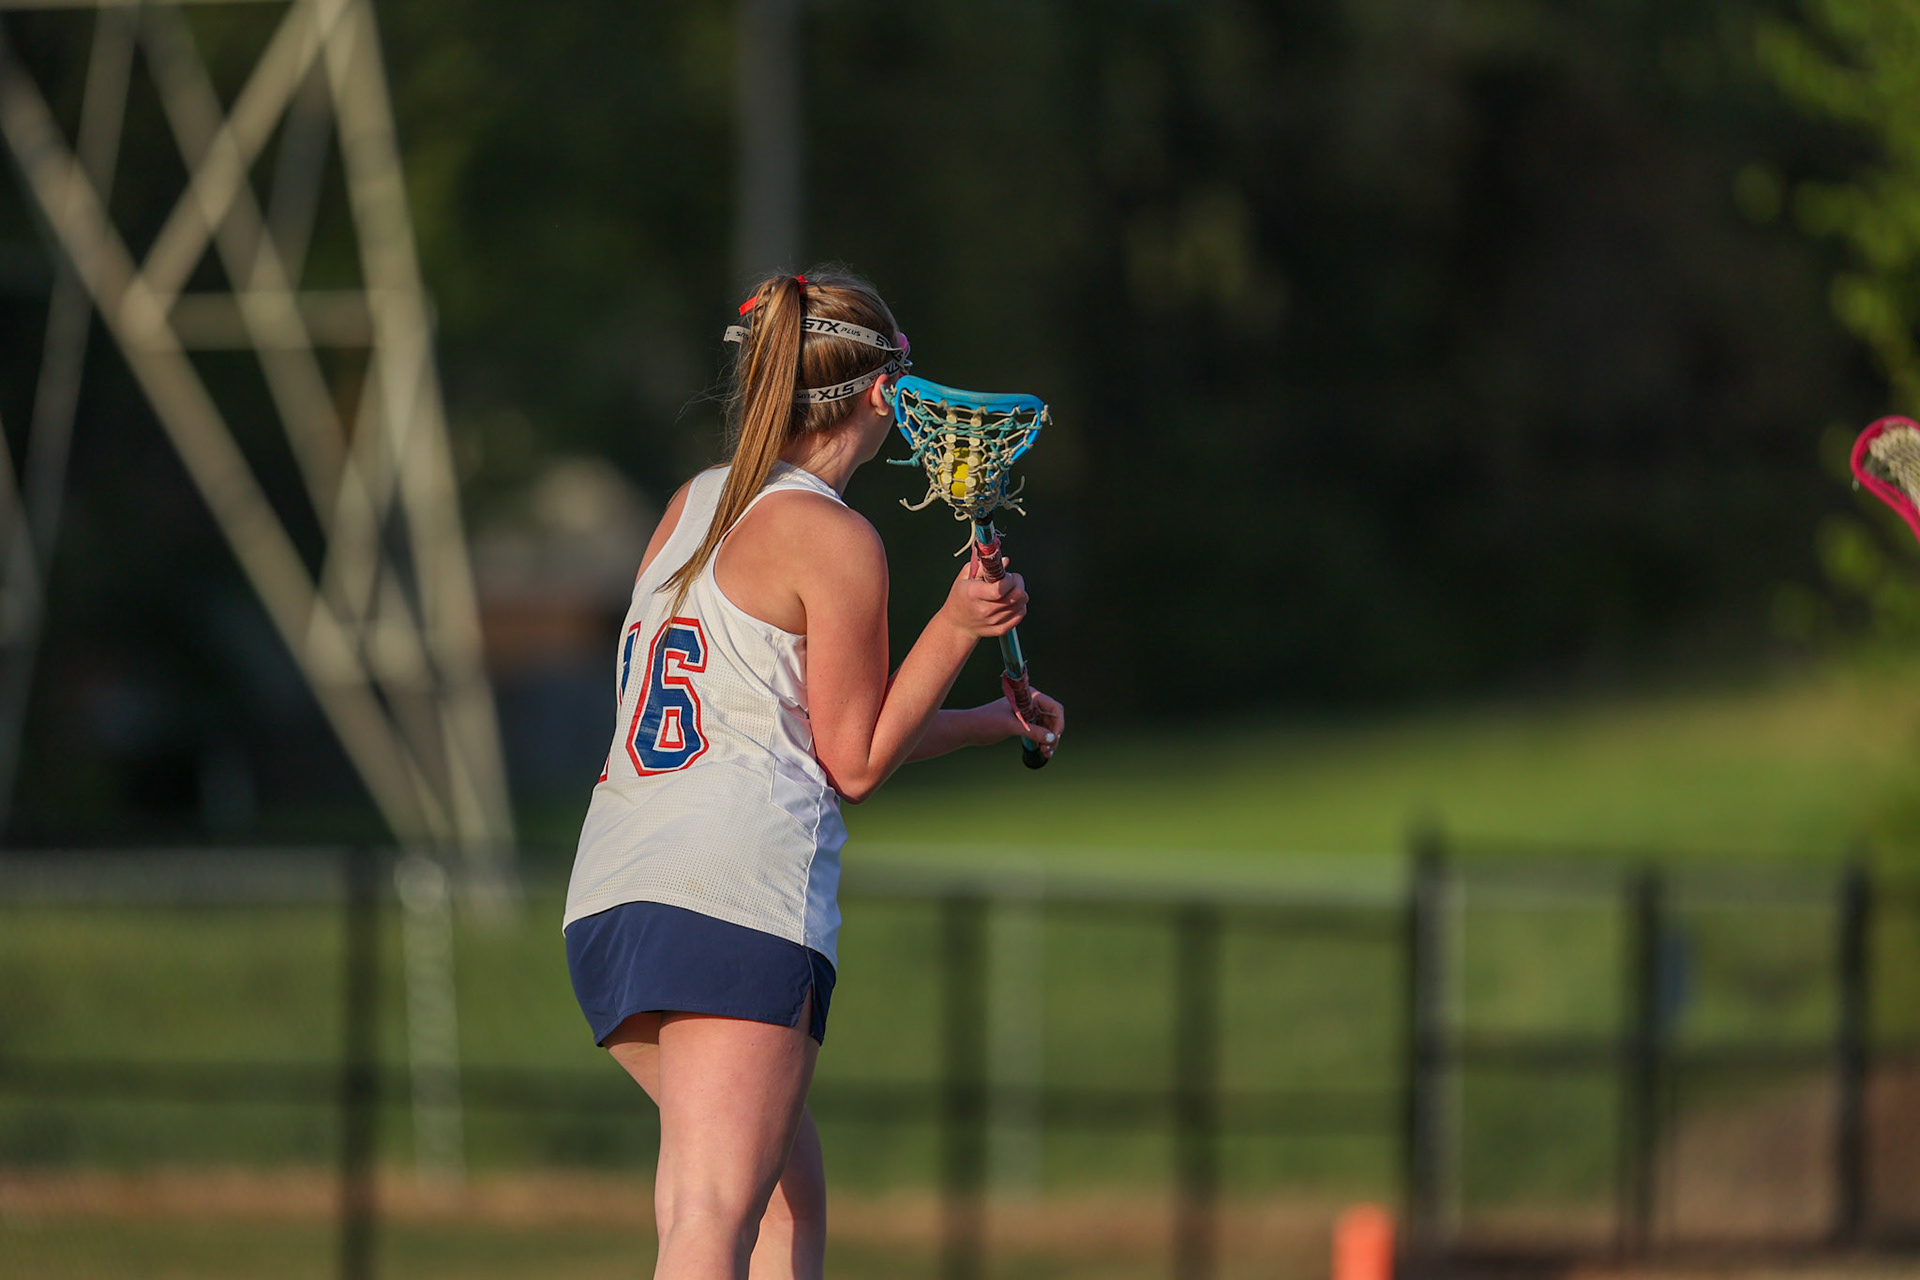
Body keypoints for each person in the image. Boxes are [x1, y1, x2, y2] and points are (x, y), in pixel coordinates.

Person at [562, 269, 1065, 1280]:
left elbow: (800, 725)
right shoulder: (836, 537)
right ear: (883, 391)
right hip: (734, 894)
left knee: (789, 1199)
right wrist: (956, 625)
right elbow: (855, 762)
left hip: (614, 897)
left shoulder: (691, 503)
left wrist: (979, 723)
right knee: (711, 1216)